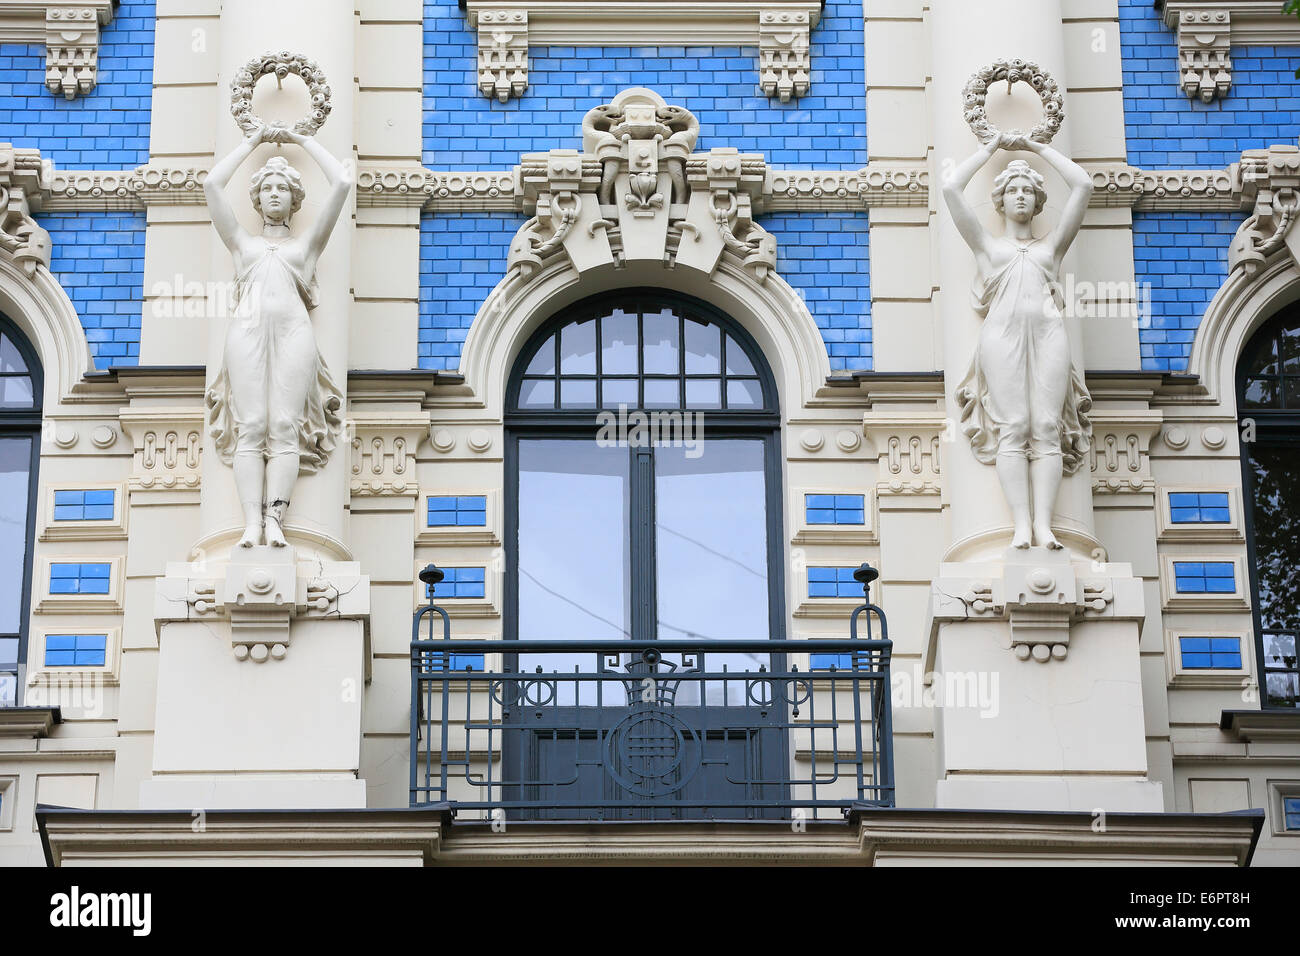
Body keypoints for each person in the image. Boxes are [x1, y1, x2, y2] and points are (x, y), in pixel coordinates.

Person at [203, 123, 352, 548]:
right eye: (266, 187)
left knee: (285, 425)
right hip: (246, 333)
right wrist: (253, 141)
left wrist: (301, 138)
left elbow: (342, 181)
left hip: (293, 334)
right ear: (256, 198)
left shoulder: (304, 249)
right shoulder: (242, 246)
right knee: (250, 426)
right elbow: (212, 183)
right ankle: (251, 522)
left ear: (293, 200)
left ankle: (275, 519)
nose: (273, 194)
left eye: (282, 188)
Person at [942, 132, 1093, 550]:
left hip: (1048, 336)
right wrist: (992, 148)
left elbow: (1083, 185)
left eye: (1028, 189)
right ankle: (1021, 525)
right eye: (1013, 190)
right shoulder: (988, 248)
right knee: (1015, 427)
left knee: (1046, 427)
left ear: (1038, 200)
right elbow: (951, 188)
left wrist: (1038, 147)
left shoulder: (1051, 250)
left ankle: (1044, 526)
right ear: (1001, 200)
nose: (1021, 196)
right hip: (1001, 336)